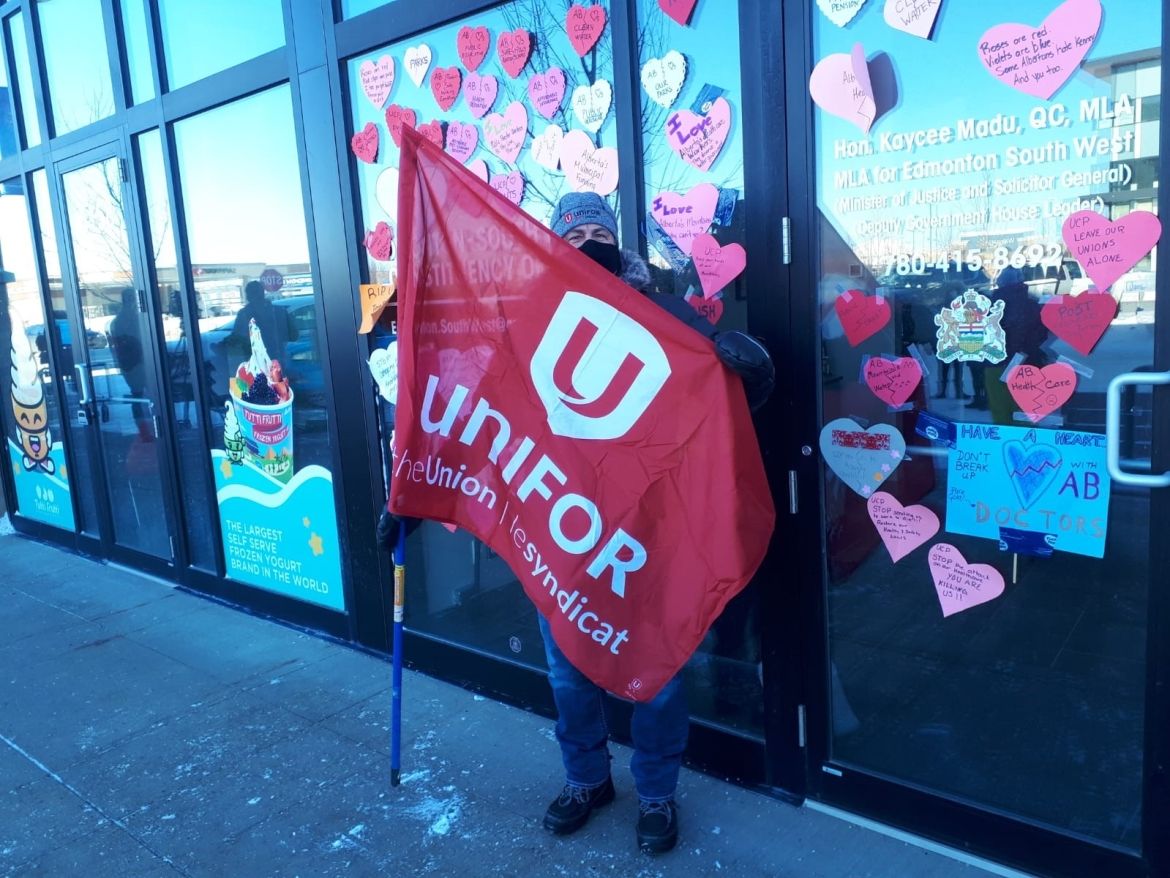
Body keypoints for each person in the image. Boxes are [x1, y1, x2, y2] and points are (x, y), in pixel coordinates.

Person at [535, 192, 774, 854]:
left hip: (649, 537)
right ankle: (586, 780)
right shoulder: (530, 320)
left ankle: (657, 793)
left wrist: (749, 373)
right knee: (568, 678)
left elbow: (723, 400)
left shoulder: (664, 314)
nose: (587, 240)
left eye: (597, 230)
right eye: (574, 231)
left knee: (658, 677)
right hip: (563, 532)